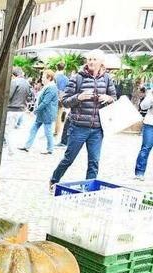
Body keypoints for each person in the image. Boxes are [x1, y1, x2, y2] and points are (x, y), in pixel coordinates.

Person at [50, 50, 117, 186]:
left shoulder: (107, 78)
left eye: (94, 59)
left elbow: (114, 98)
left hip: (98, 129)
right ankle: (54, 180)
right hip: (78, 127)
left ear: (101, 62)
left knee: (94, 161)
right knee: (69, 158)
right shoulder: (77, 78)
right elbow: (64, 100)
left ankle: (89, 187)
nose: (91, 62)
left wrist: (108, 98)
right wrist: (78, 97)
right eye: (89, 59)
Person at [19, 70, 58, 154]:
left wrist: (36, 110)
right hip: (43, 113)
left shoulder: (51, 87)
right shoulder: (48, 86)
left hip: (47, 113)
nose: (42, 79)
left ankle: (50, 149)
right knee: (34, 129)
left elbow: (45, 102)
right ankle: (27, 146)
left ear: (49, 78)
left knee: (48, 132)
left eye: (43, 77)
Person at [4, 67, 32, 155]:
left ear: (13, 75)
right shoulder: (26, 83)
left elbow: (9, 96)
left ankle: (11, 150)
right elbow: (29, 96)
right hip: (21, 109)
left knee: (8, 131)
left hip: (12, 109)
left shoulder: (14, 82)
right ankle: (8, 146)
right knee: (10, 130)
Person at [135, 88, 153, 180]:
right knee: (145, 148)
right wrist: (151, 97)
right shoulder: (151, 93)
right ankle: (139, 172)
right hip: (150, 124)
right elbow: (143, 106)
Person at [54, 62, 69, 137]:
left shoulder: (54, 77)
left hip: (53, 98)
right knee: (58, 116)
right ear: (64, 68)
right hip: (61, 98)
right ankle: (56, 132)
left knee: (50, 115)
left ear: (57, 67)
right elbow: (67, 89)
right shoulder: (66, 78)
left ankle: (48, 131)